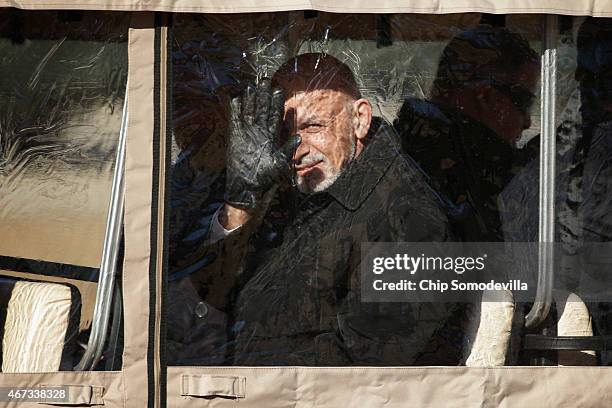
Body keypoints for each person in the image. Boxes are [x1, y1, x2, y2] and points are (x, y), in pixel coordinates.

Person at [168, 53, 461, 366]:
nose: (298, 147)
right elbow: (204, 300)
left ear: (359, 120)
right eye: (285, 132)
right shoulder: (290, 190)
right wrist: (241, 202)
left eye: (314, 126)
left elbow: (361, 369)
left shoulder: (409, 215)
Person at [394, 25, 539, 242]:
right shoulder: (475, 169)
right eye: (524, 102)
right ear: (487, 98)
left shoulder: (399, 144)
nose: (527, 122)